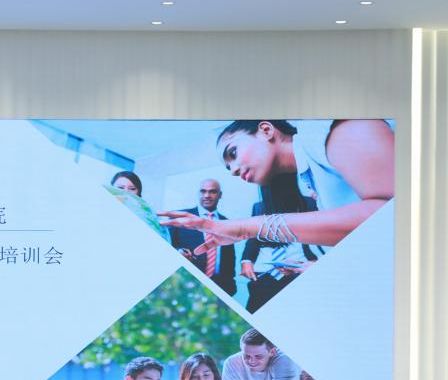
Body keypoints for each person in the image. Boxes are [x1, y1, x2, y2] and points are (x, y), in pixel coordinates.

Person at [159, 119, 394, 252]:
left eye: (233, 153)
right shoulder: (308, 181)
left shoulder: (323, 129)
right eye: (228, 168)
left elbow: (395, 215)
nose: (234, 171)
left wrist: (244, 228)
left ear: (266, 130)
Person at [241, 174, 322, 312]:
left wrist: (312, 263)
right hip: (265, 273)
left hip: (299, 271)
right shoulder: (259, 207)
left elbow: (322, 240)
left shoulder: (310, 204)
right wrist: (246, 261)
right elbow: (253, 239)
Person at [168, 178, 237, 295]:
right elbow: (167, 246)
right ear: (198, 193)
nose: (207, 195)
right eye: (203, 191)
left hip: (219, 288)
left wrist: (230, 286)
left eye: (212, 191)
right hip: (185, 283)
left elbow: (230, 258)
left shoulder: (227, 223)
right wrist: (179, 252)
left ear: (220, 195)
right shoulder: (181, 217)